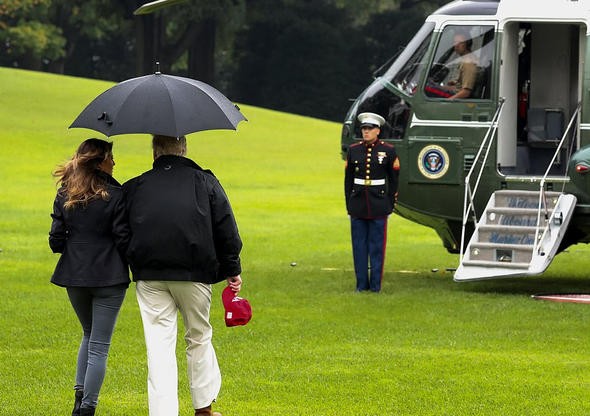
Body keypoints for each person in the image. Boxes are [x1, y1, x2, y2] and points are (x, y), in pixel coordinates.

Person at [123, 135, 243, 416]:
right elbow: (227, 229)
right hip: (195, 273)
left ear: (155, 152)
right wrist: (232, 269)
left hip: (150, 275)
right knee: (199, 337)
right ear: (184, 149)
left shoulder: (136, 186)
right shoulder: (206, 182)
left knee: (159, 344)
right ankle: (203, 409)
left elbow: (121, 228)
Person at [49, 138, 130, 416]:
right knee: (99, 346)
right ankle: (87, 408)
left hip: (74, 275)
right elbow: (123, 239)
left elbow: (55, 241)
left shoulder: (65, 193)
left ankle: (78, 399)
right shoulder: (117, 195)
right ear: (100, 162)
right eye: (111, 157)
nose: (114, 162)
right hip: (109, 278)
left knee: (88, 334)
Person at [344, 113, 400, 293]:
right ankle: (361, 285)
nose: (365, 132)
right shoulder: (354, 150)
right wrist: (349, 204)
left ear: (378, 131)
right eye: (363, 129)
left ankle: (375, 286)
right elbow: (348, 181)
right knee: (359, 247)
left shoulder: (388, 151)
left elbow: (394, 180)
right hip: (358, 204)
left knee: (377, 247)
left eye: (369, 129)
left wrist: (390, 204)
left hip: (378, 204)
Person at [444, 33, 478, 99]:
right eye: (455, 42)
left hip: (456, 99)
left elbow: (466, 92)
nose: (456, 45)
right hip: (455, 92)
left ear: (467, 44)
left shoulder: (468, 63)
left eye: (460, 42)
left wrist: (447, 102)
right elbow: (461, 88)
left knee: (428, 87)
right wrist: (455, 84)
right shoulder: (466, 59)